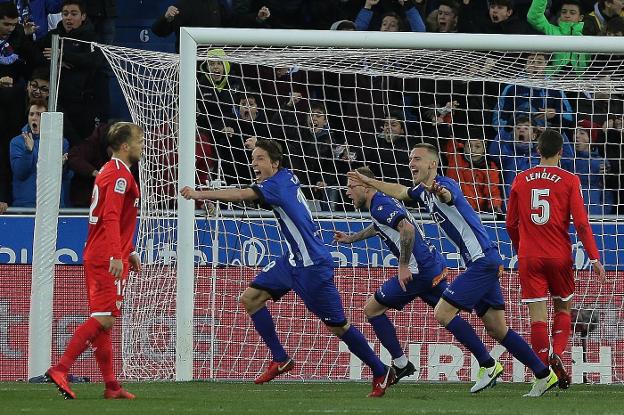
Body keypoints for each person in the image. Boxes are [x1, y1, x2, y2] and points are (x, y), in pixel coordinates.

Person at [180, 139, 395, 397]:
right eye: (253, 158)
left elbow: (240, 195)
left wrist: (198, 194)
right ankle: (280, 358)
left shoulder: (275, 186)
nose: (254, 163)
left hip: (312, 265)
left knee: (338, 326)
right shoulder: (286, 177)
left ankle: (380, 369)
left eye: (260, 158)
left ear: (275, 163)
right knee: (251, 298)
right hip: (292, 260)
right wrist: (256, 142)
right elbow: (263, 175)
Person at [348, 143, 558, 397]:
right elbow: (400, 191)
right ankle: (544, 375)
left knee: (443, 312)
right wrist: (370, 180)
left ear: (432, 164)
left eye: (418, 159)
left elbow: (446, 195)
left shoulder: (444, 186)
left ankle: (489, 366)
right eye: (410, 158)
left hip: (482, 261)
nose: (412, 163)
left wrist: (440, 192)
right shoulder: (421, 192)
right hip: (482, 261)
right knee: (496, 328)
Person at [337, 166, 510, 393]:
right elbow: (380, 226)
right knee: (447, 315)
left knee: (372, 309)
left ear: (367, 186)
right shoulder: (380, 204)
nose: (347, 192)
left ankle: (400, 364)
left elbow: (406, 229)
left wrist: (402, 266)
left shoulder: (380, 204)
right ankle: (487, 363)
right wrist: (353, 238)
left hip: (417, 271)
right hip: (430, 265)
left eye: (352, 186)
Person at [45, 122, 144, 400]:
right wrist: (116, 253)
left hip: (105, 252)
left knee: (105, 321)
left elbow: (118, 217)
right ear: (125, 146)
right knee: (103, 318)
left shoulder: (113, 172)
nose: (142, 146)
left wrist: (129, 249)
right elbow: (110, 216)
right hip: (105, 256)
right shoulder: (119, 176)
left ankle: (112, 386)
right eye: (139, 141)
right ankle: (60, 368)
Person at [505, 129, 606, 390]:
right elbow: (581, 224)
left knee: (537, 318)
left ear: (537, 151)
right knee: (563, 309)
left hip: (529, 257)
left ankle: (542, 376)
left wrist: (520, 247)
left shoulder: (520, 178)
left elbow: (510, 223)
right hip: (559, 255)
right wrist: (594, 258)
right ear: (561, 152)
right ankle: (558, 353)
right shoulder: (570, 179)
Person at [9, 100, 72, 207]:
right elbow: (20, 173)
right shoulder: (17, 142)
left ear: (48, 119)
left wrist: (61, 166)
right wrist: (28, 151)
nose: (34, 117)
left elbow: (66, 176)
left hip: (53, 205)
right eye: (31, 114)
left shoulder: (60, 142)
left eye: (39, 115)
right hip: (25, 205)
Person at [527, 0, 589, 73]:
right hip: (552, 81)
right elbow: (534, 18)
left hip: (579, 83)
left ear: (580, 17)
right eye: (564, 12)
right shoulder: (551, 30)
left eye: (572, 13)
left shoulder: (586, 40)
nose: (567, 15)